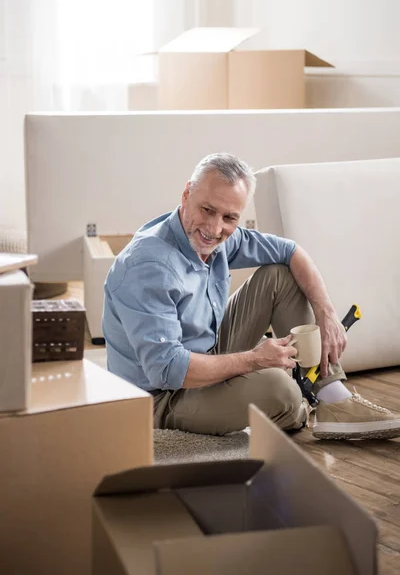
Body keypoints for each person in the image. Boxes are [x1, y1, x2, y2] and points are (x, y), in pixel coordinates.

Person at [103, 153, 400, 440]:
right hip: (160, 397)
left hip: (206, 352)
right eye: (207, 210)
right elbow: (166, 370)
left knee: (280, 275)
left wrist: (327, 312)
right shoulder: (150, 266)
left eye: (229, 217)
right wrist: (254, 360)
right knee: (281, 392)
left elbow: (291, 251)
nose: (215, 229)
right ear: (186, 194)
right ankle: (295, 406)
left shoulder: (215, 238)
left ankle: (332, 397)